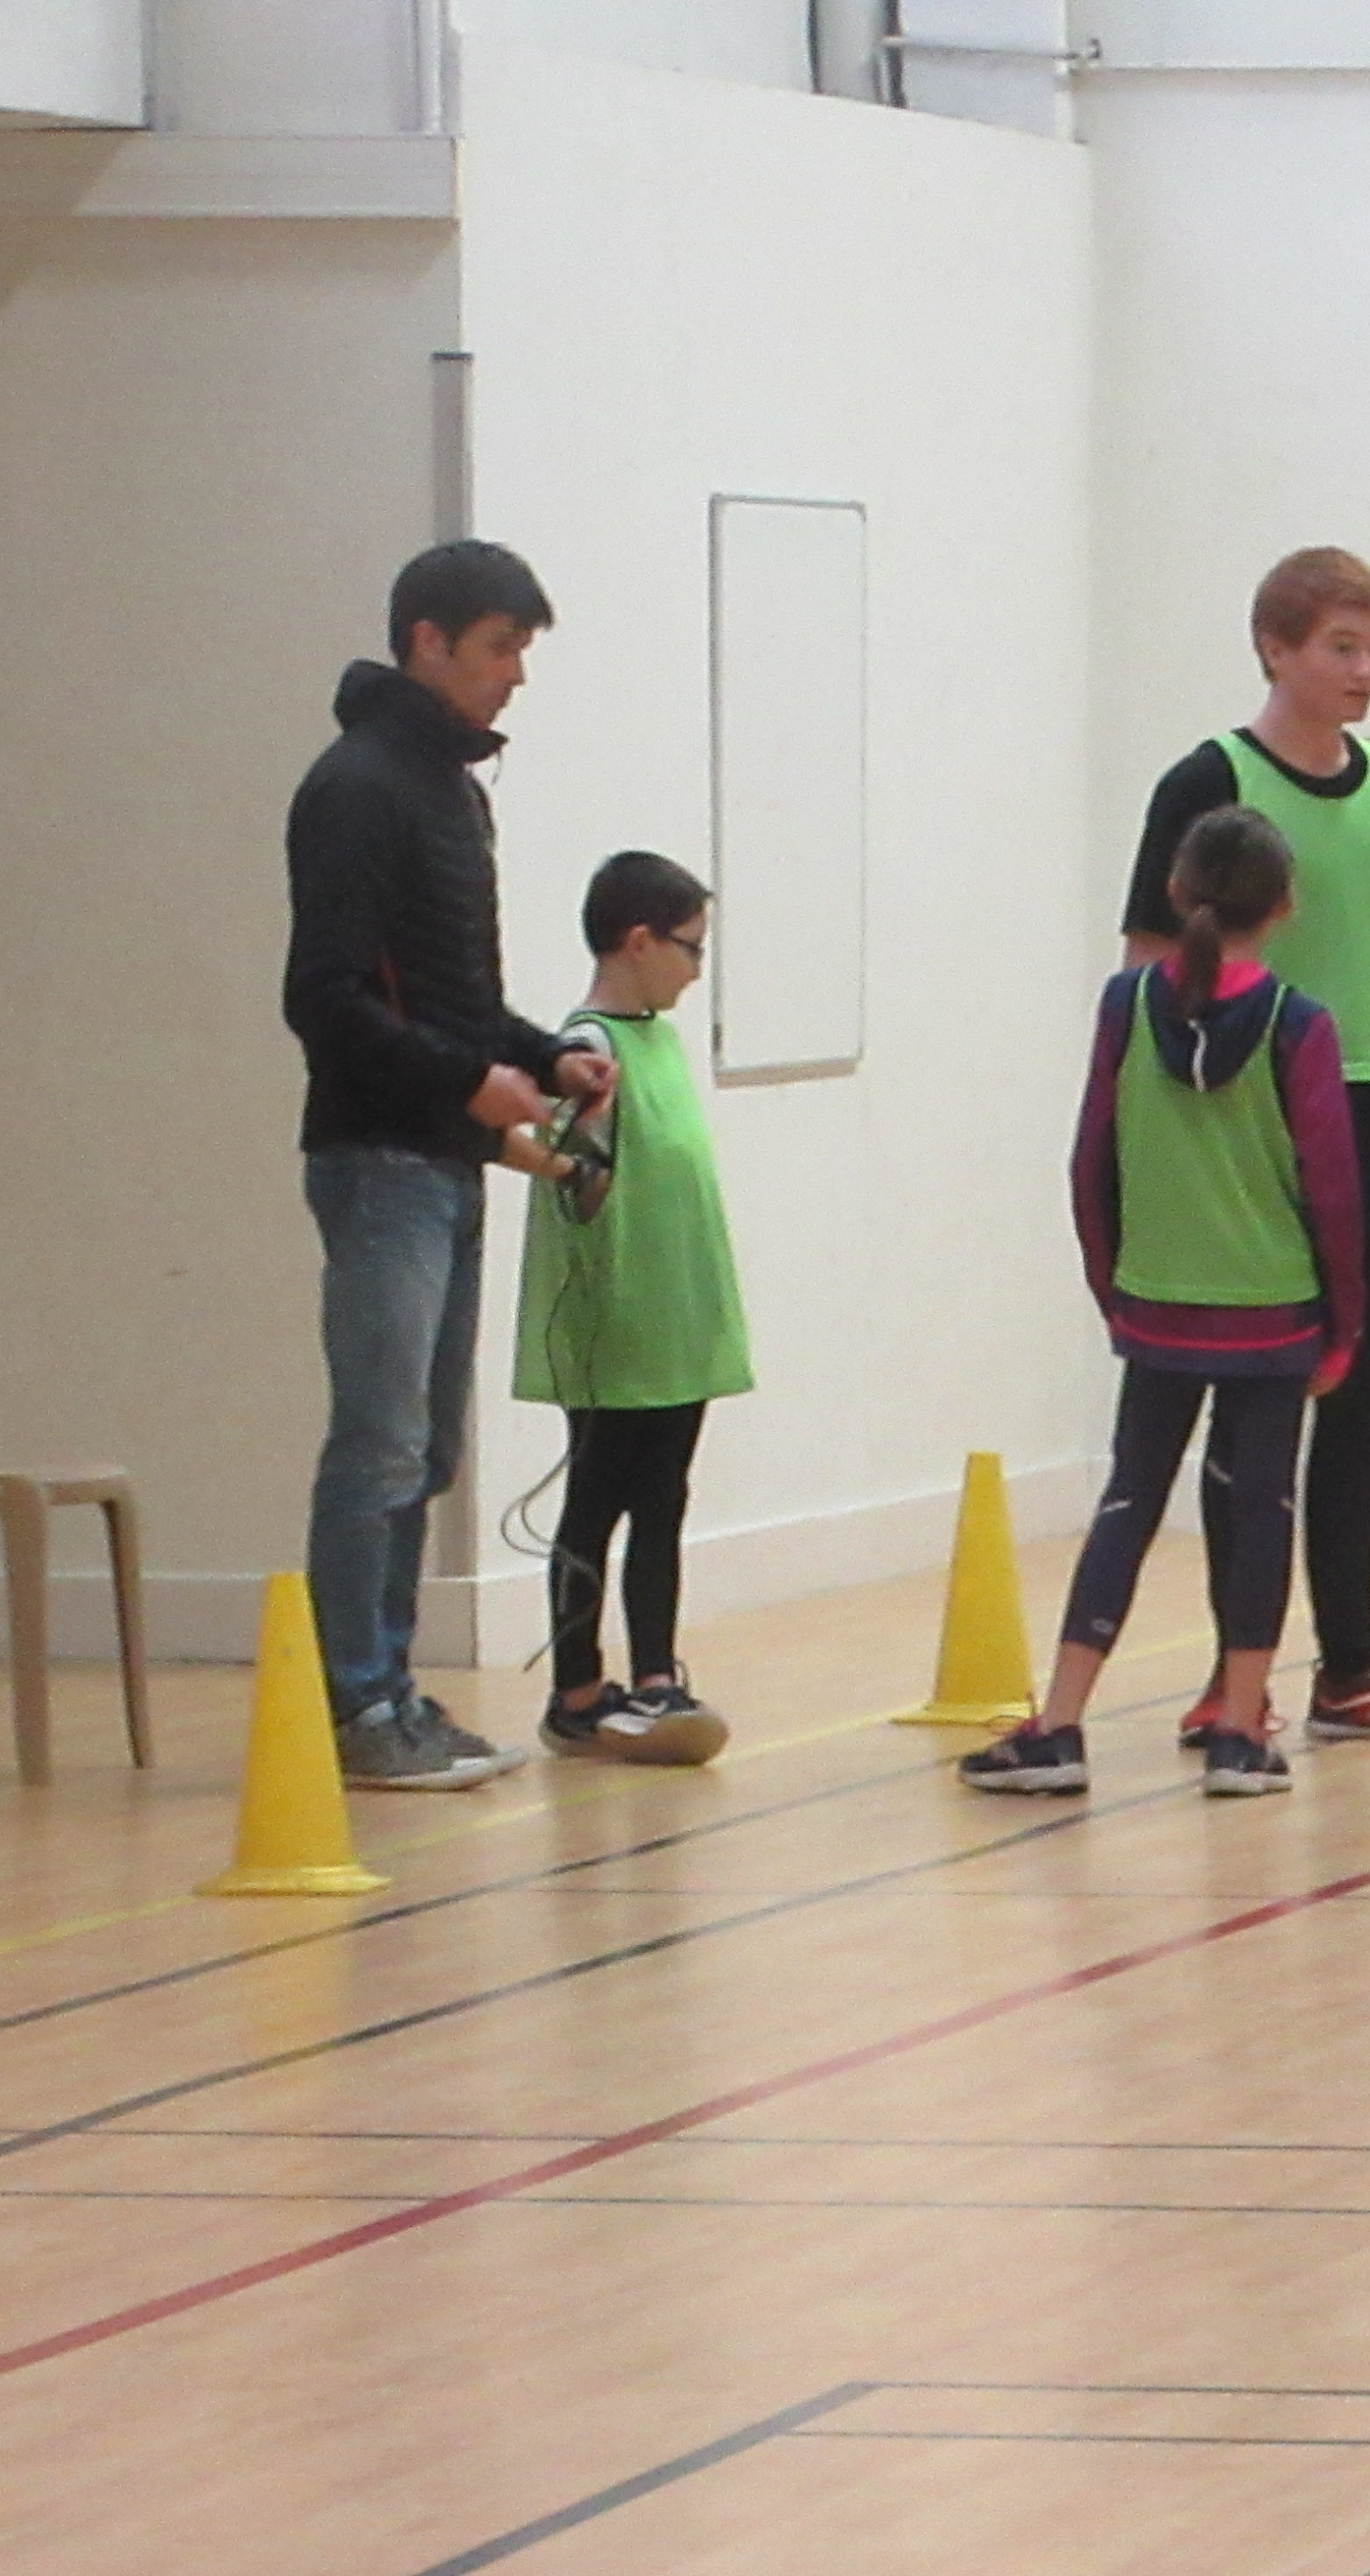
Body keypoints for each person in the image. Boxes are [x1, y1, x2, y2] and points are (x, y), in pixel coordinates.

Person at [1120, 545, 1370, 1746]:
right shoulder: (1207, 781)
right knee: (1251, 1412)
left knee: (1359, 1406)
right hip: (1254, 1120)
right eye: (1342, 647)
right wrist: (1177, 1137)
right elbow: (1148, 967)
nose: (1366, 670)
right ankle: (1233, 1681)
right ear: (1274, 649)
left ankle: (1352, 1667)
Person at [283, 537, 608, 1794]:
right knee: (378, 1444)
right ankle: (359, 1705)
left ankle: (397, 1696)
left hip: (441, 1158)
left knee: (425, 1453)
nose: (515, 673)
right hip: (379, 1161)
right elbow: (325, 998)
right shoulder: (357, 787)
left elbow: (455, 1003)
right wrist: (470, 1083)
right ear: (427, 642)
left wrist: (545, 1058)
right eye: (499, 647)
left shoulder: (451, 790)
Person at [963, 809, 1358, 1802]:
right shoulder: (1300, 1024)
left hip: (1158, 1305)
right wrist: (1345, 1321)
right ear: (1285, 906)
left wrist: (1114, 1284)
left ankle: (1060, 1723)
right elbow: (1333, 1189)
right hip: (1274, 1312)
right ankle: (1239, 1731)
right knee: (1262, 1509)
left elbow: (1089, 1159)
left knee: (1128, 1502)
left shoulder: (1125, 1005)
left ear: (1178, 893)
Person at [504, 851, 750, 1763]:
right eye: (690, 948)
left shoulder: (659, 1040)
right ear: (639, 941)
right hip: (618, 1319)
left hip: (680, 1313)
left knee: (663, 1498)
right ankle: (576, 1692)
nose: (696, 970)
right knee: (598, 1498)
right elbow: (577, 1179)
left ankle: (654, 1679)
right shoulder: (590, 1047)